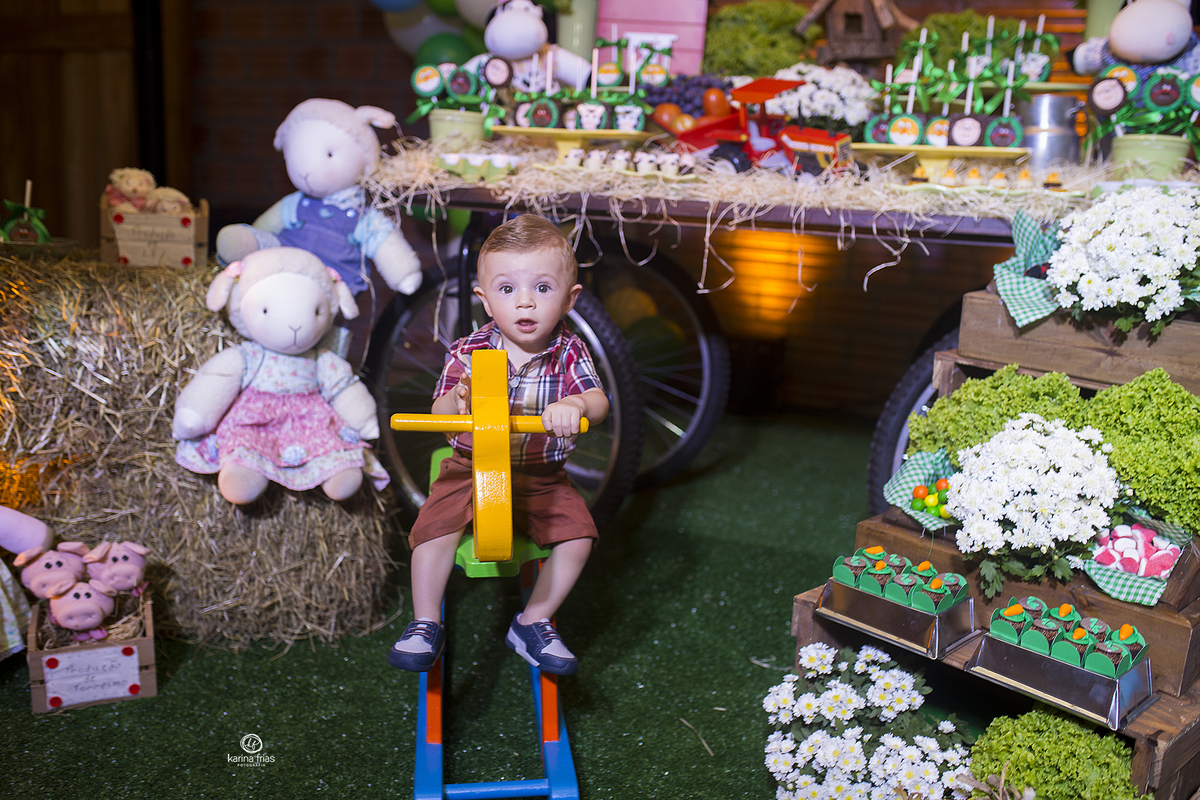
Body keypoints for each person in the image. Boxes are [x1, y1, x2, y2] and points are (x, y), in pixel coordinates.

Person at [387, 215, 608, 676]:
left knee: (579, 537)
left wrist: (576, 404)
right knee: (434, 530)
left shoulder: (570, 352)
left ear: (569, 299)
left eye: (543, 288)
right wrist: (457, 398)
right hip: (470, 466)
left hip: (540, 476)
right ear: (486, 301)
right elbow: (438, 417)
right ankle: (425, 621)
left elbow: (599, 400)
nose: (525, 301)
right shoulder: (467, 351)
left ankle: (533, 620)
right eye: (507, 289)